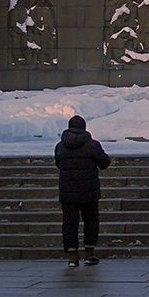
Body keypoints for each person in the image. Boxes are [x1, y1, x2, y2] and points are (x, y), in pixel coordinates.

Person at [54, 114, 111, 267]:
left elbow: (59, 163)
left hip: (68, 192)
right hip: (89, 191)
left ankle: (72, 256)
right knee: (91, 221)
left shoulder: (60, 146)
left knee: (69, 223)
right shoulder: (92, 145)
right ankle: (89, 253)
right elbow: (105, 163)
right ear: (84, 128)